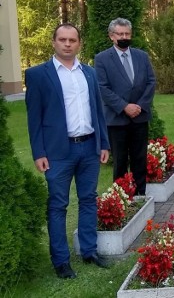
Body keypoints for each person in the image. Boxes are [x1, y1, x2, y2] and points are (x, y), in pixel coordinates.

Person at [25, 23, 111, 279]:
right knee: (58, 205)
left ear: (79, 43)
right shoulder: (38, 74)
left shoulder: (90, 73)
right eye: (62, 39)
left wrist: (103, 143)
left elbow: (98, 111)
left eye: (72, 40)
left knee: (88, 200)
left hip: (89, 148)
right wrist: (39, 152)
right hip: (57, 152)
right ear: (53, 42)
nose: (67, 44)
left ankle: (89, 251)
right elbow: (34, 118)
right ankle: (61, 261)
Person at [94, 18, 156, 196]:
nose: (124, 37)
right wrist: (124, 107)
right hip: (117, 119)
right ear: (112, 36)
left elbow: (151, 82)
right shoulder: (102, 59)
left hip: (140, 117)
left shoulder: (141, 56)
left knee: (139, 159)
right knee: (120, 162)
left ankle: (140, 197)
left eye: (127, 34)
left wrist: (140, 106)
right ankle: (121, 199)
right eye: (120, 34)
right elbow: (102, 87)